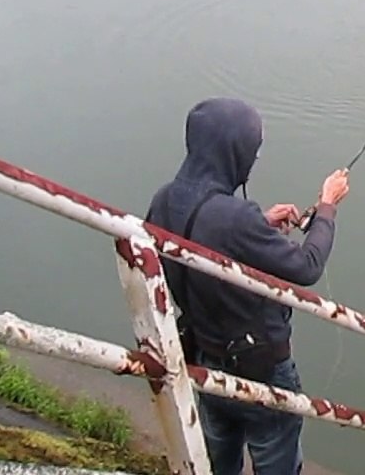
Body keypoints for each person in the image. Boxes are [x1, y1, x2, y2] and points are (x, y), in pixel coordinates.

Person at [144, 96, 349, 475]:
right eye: (251, 151)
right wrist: (327, 207)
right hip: (262, 369)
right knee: (276, 459)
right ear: (232, 153)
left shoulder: (163, 200)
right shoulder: (235, 219)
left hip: (204, 356)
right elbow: (307, 266)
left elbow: (201, 236)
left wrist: (260, 226)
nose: (252, 160)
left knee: (218, 456)